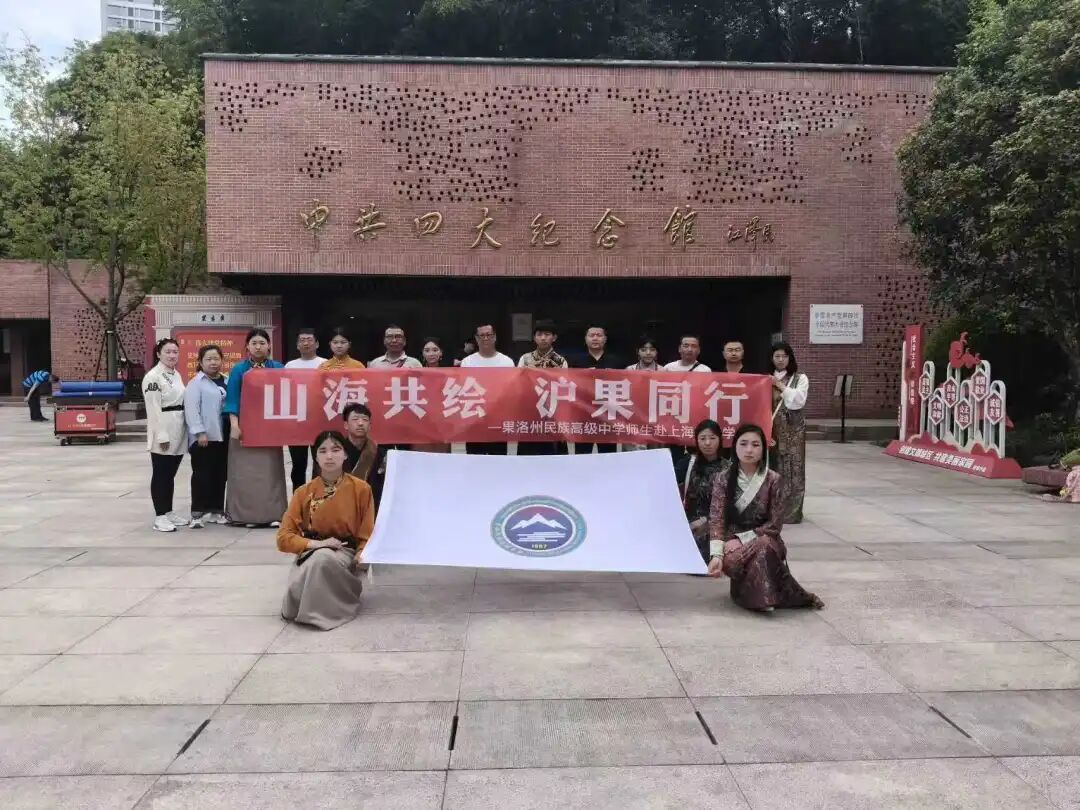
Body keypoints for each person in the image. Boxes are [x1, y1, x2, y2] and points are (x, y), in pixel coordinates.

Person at [707, 423, 823, 612]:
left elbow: (774, 525)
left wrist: (742, 539)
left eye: (755, 445)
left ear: (763, 449)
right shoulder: (723, 478)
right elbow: (716, 518)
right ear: (735, 446)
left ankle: (758, 599)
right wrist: (716, 555)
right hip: (732, 547)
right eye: (743, 444)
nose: (749, 450)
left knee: (764, 546)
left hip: (767, 539)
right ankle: (765, 596)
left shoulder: (773, 480)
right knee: (751, 553)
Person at [277, 430, 375, 630]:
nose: (329, 456)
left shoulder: (361, 489)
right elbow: (283, 538)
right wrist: (317, 544)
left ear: (345, 454)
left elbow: (368, 532)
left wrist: (362, 555)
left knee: (322, 560)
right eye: (323, 451)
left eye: (335, 450)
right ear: (315, 457)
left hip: (344, 551)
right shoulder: (303, 492)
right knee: (319, 558)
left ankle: (317, 613)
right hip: (311, 550)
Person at [223, 328, 289, 527]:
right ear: (247, 347)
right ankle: (245, 515)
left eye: (262, 343)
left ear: (269, 346)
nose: (258, 347)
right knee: (244, 473)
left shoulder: (278, 368)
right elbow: (232, 399)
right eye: (254, 343)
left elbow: (286, 397)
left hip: (270, 428)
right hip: (245, 427)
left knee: (271, 472)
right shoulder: (238, 370)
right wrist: (234, 425)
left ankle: (273, 514)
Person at [143, 338, 188, 533]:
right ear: (158, 354)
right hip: (163, 426)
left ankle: (169, 511)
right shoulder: (153, 377)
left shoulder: (176, 374)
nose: (172, 355)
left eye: (175, 352)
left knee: (171, 474)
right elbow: (153, 409)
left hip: (178, 426)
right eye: (168, 352)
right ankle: (160, 515)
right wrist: (161, 435)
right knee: (161, 473)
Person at [185, 344, 230, 528]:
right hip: (204, 437)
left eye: (216, 358)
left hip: (223, 435)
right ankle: (197, 513)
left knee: (220, 474)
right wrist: (200, 432)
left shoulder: (227, 380)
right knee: (202, 474)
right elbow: (191, 409)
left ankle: (216, 510)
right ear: (200, 362)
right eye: (209, 359)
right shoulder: (196, 383)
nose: (213, 362)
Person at [675, 420, 729, 563]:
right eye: (703, 438)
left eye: (712, 438)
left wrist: (705, 521)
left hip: (717, 524)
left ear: (720, 440)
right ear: (696, 440)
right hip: (688, 523)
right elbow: (667, 482)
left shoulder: (729, 468)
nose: (707, 443)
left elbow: (731, 505)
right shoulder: (688, 463)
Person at [770, 340, 809, 523]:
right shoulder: (765, 378)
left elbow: (798, 402)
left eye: (784, 356)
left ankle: (792, 513)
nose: (780, 359)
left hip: (793, 432)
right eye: (777, 356)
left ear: (790, 358)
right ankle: (772, 511)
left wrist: (780, 386)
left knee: (794, 470)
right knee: (773, 468)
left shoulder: (800, 378)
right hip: (771, 430)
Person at [517, 319, 568, 456]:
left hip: (553, 412)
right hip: (529, 412)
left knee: (553, 454)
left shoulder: (561, 361)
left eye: (547, 334)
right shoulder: (525, 359)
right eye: (539, 334)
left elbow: (563, 387)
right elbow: (518, 384)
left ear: (554, 337)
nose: (543, 338)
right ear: (534, 338)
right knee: (527, 454)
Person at [461, 323, 514, 455]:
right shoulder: (467, 362)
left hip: (498, 419)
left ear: (494, 337)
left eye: (488, 335)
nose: (485, 338)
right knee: (474, 460)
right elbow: (464, 389)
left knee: (498, 459)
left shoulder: (507, 362)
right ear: (476, 338)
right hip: (474, 419)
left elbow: (511, 391)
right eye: (482, 335)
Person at [285, 328, 327, 493]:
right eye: (302, 340)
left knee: (320, 462)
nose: (306, 343)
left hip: (319, 420)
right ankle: (299, 498)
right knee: (298, 464)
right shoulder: (290, 366)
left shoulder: (326, 364)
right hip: (297, 421)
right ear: (297, 345)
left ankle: (319, 497)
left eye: (309, 340)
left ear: (317, 344)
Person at [574, 325, 621, 456]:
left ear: (605, 339)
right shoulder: (575, 362)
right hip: (583, 414)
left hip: (607, 414)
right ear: (585, 339)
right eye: (592, 335)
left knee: (608, 454)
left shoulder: (616, 362)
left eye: (599, 335)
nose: (595, 338)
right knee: (582, 454)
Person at [416, 338, 451, 453]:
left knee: (441, 456)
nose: (431, 354)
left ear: (441, 352)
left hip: (442, 422)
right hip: (420, 421)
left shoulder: (449, 373)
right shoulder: (416, 374)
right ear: (422, 353)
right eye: (427, 350)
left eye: (435, 350)